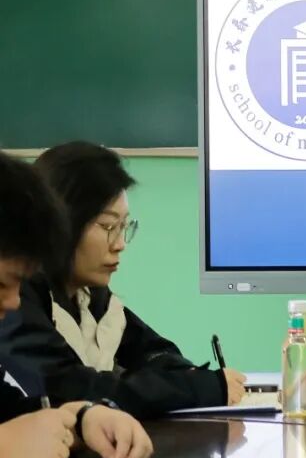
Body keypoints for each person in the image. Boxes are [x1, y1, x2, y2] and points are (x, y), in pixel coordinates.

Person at [0, 142, 246, 418]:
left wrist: (185, 375)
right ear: (61, 222)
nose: (120, 244)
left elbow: (152, 351)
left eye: (124, 227)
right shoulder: (14, 299)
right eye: (108, 226)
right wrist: (198, 388)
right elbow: (69, 389)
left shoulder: (90, 295)